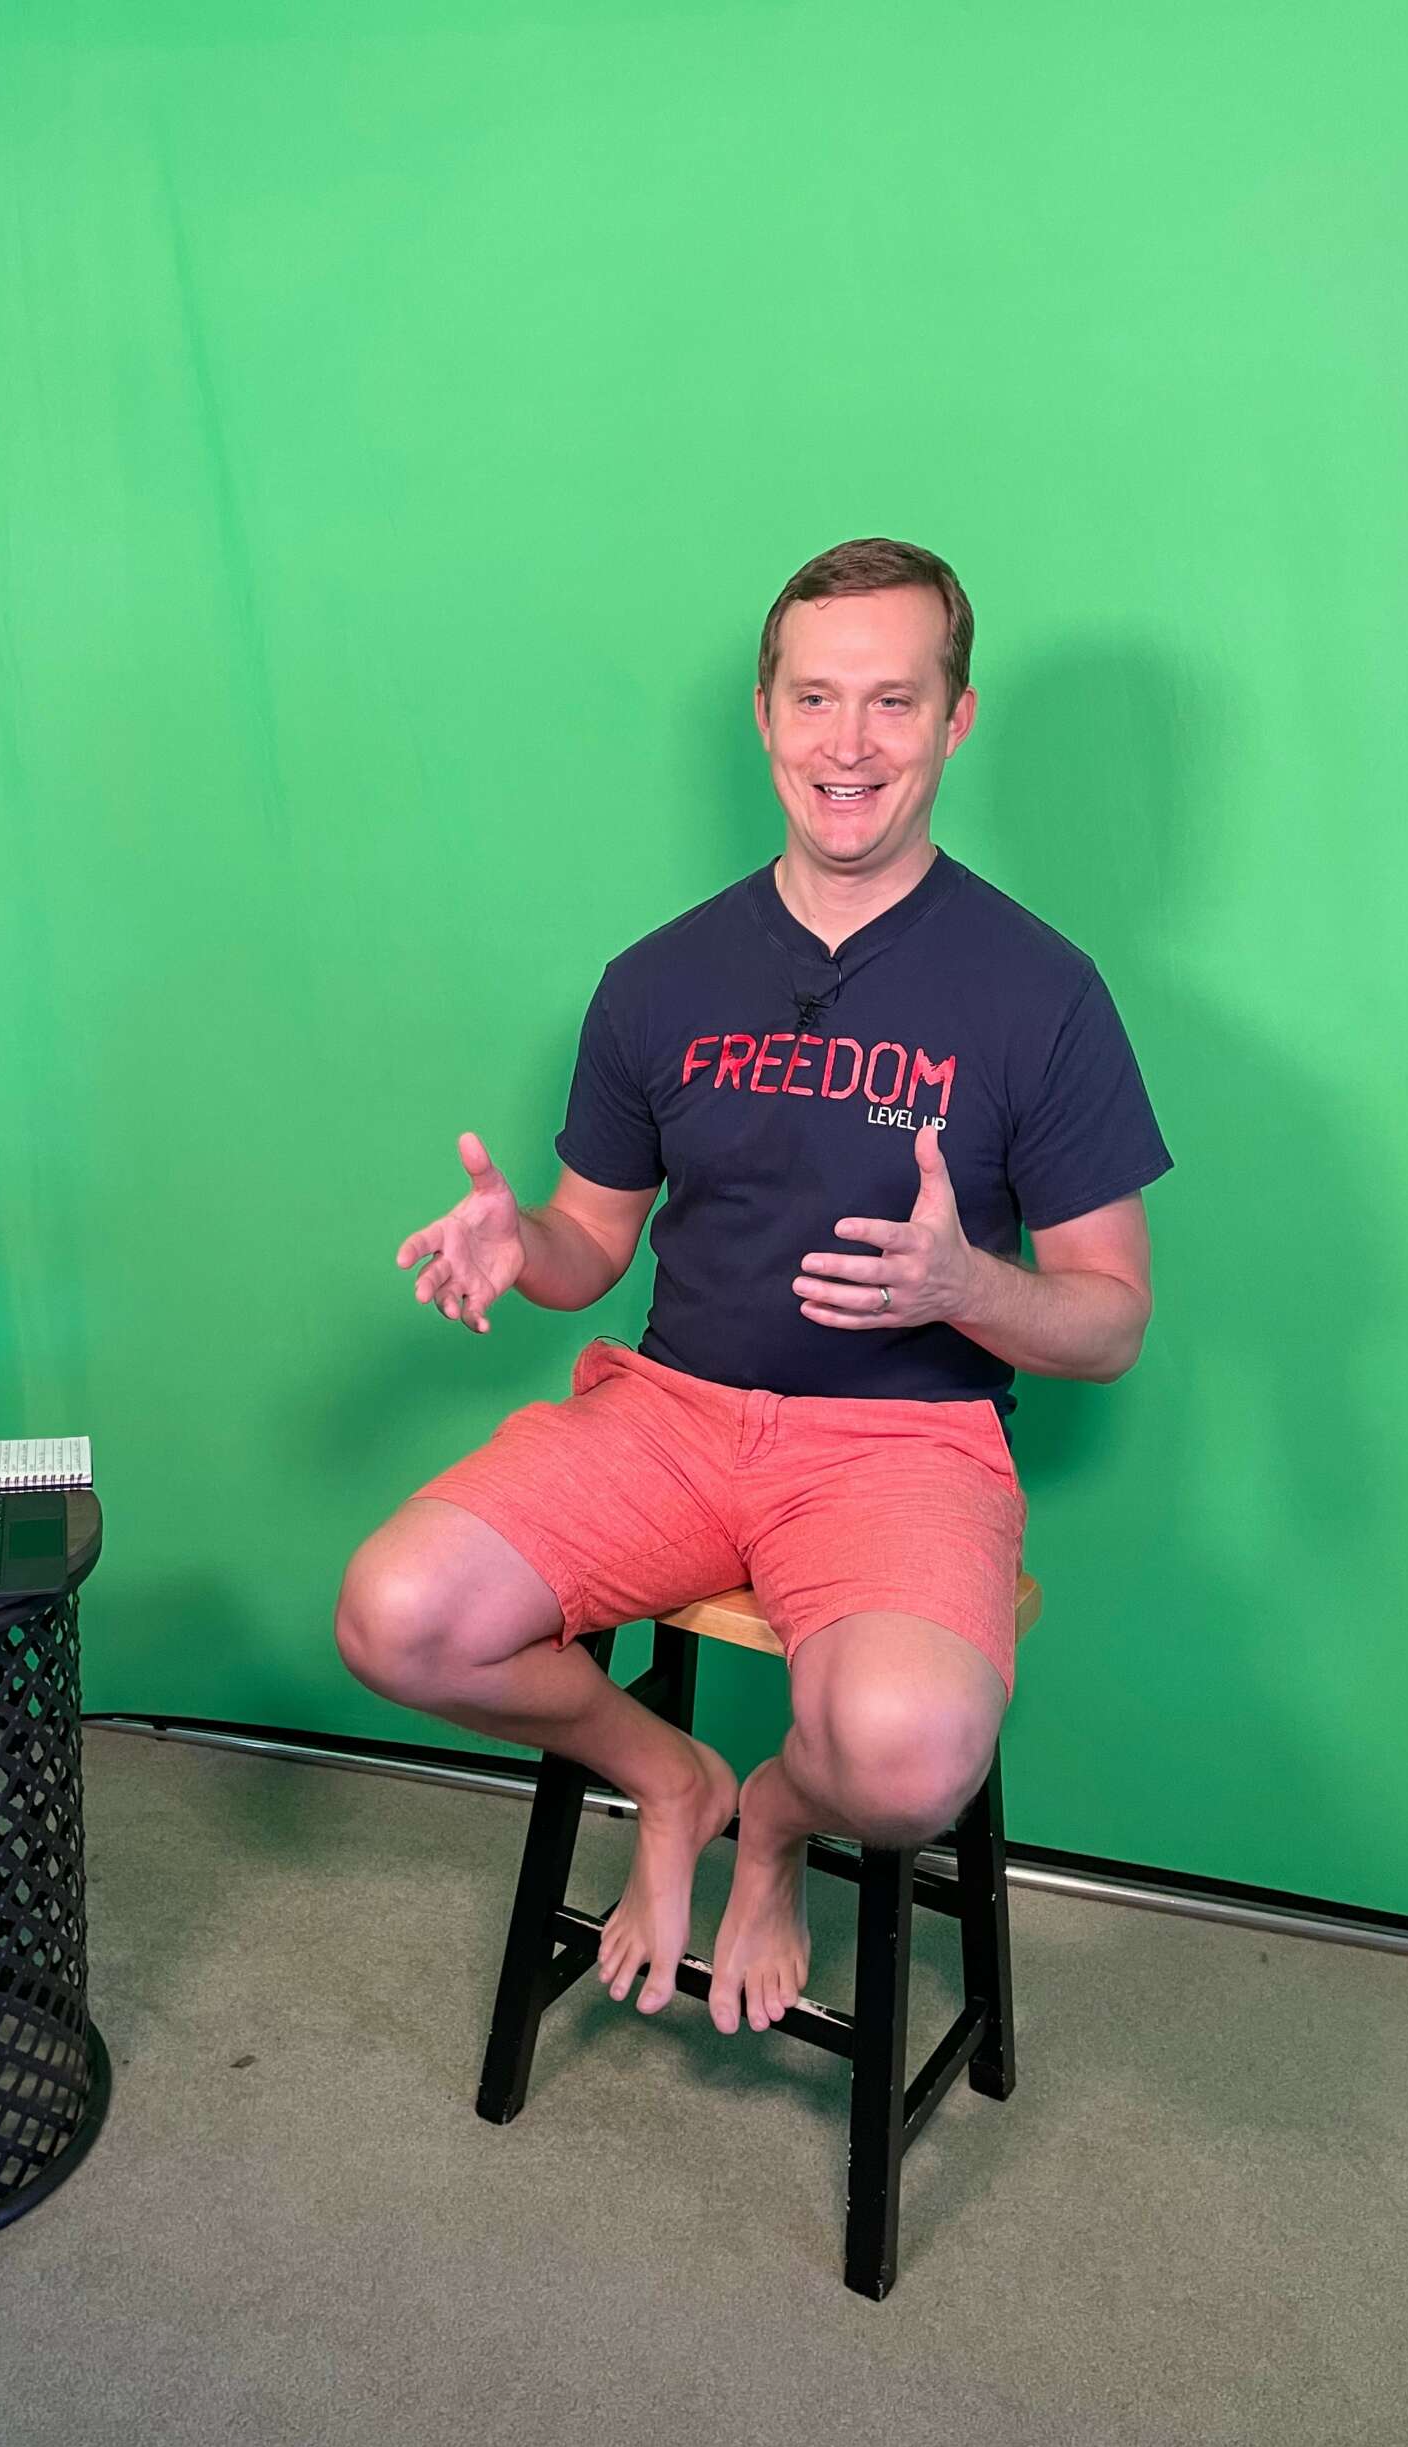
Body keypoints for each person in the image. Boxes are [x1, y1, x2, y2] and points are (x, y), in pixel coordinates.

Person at [335, 537, 1173, 2034]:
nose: (849, 743)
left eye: (893, 702)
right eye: (815, 699)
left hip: (899, 1447)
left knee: (909, 1760)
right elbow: (591, 1244)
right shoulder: (658, 977)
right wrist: (520, 1244)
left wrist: (965, 1286)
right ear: (766, 715)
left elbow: (1109, 1317)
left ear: (956, 720)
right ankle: (673, 1779)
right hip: (667, 1417)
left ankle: (772, 1822)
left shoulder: (1042, 991)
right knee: (396, 1614)